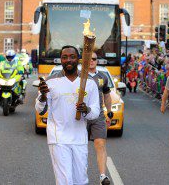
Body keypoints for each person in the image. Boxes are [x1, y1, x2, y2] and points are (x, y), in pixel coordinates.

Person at [35, 45, 100, 185]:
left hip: (80, 138)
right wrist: (43, 96)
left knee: (81, 181)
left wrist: (86, 110)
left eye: (72, 57)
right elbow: (40, 109)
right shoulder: (50, 82)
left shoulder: (89, 83)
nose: (68, 60)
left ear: (79, 59)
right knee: (65, 181)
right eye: (64, 57)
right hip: (58, 137)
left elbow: (95, 113)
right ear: (61, 60)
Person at [88, 52, 113, 185]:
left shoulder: (102, 77)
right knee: (79, 147)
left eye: (94, 59)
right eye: (89, 58)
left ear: (97, 61)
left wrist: (109, 112)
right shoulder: (79, 76)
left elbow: (107, 95)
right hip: (82, 117)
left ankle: (103, 176)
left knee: (100, 144)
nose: (91, 61)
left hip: (98, 116)